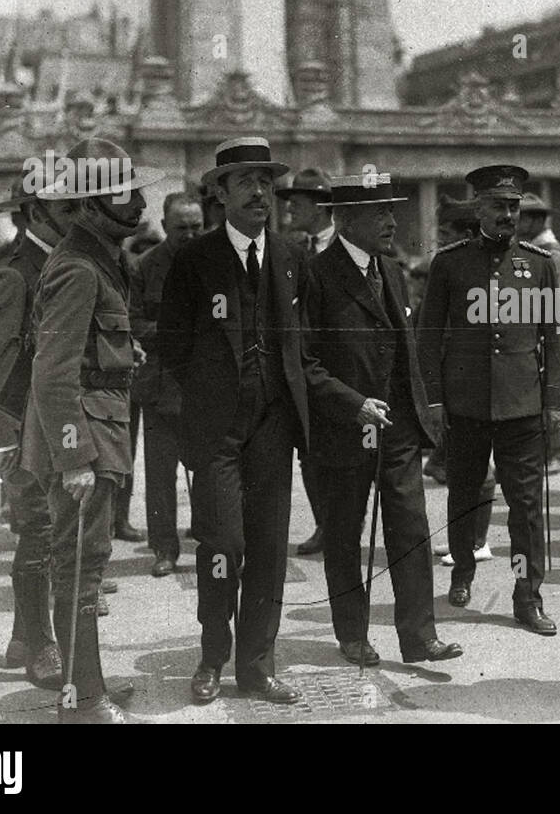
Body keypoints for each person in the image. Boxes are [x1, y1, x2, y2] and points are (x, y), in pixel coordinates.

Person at [159, 137, 348, 705]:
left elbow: (306, 344)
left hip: (275, 427)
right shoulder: (195, 259)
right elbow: (172, 344)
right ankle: (213, 655)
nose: (259, 191)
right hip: (216, 430)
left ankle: (258, 666)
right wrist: (214, 388)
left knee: (268, 547)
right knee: (222, 542)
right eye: (244, 181)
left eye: (266, 180)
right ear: (220, 193)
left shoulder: (293, 258)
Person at [22, 137, 164, 723]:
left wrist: (121, 352)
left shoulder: (97, 259)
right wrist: (74, 457)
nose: (137, 205)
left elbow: (81, 350)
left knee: (88, 562)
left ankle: (88, 687)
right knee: (79, 566)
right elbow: (52, 373)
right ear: (88, 205)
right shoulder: (79, 267)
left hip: (96, 426)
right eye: (123, 194)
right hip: (83, 437)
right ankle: (82, 703)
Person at [302, 172, 463, 666]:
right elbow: (305, 363)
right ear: (344, 219)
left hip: (396, 428)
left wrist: (425, 410)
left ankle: (419, 638)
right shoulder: (316, 275)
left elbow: (408, 351)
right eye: (380, 213)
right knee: (345, 533)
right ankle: (352, 633)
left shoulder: (391, 271)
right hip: (345, 427)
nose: (392, 221)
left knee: (411, 527)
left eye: (393, 211)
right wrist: (353, 403)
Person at [418, 164, 560, 636]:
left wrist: (554, 401)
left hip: (521, 405)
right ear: (478, 208)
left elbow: (553, 339)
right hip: (465, 405)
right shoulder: (450, 263)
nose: (507, 215)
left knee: (525, 508)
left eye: (513, 206)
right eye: (498, 206)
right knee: (464, 494)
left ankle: (528, 596)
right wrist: (436, 402)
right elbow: (428, 337)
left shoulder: (539, 265)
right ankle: (462, 571)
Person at [0, 178, 76, 689]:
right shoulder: (12, 273)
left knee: (48, 534)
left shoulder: (60, 261)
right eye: (64, 207)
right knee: (41, 535)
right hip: (24, 431)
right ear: (35, 214)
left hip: (55, 424)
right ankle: (42, 650)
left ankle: (19, 637)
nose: (77, 214)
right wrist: (6, 443)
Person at [130, 191, 204, 577]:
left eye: (197, 227)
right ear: (164, 224)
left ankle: (214, 542)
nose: (190, 235)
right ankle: (164, 548)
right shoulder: (146, 267)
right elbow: (132, 323)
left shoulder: (220, 262)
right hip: (161, 386)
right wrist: (172, 331)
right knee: (160, 475)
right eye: (181, 229)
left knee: (212, 468)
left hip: (208, 386)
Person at [425, 198, 498, 563]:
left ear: (467, 235)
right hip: (456, 382)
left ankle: (477, 541)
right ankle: (468, 537)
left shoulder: (479, 274)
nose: (438, 241)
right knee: (461, 468)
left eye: (444, 234)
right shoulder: (452, 269)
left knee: (477, 469)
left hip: (475, 385)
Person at [274, 168, 334, 559]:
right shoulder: (289, 248)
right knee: (310, 455)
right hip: (300, 370)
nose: (289, 208)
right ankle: (325, 526)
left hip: (339, 371)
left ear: (321, 206)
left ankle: (341, 526)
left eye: (298, 201)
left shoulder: (346, 247)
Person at [517, 191, 560, 475]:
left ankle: (554, 454)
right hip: (535, 326)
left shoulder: (551, 252)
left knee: (551, 390)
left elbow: (554, 298)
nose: (517, 222)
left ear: (537, 220)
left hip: (547, 329)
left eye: (523, 217)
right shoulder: (530, 248)